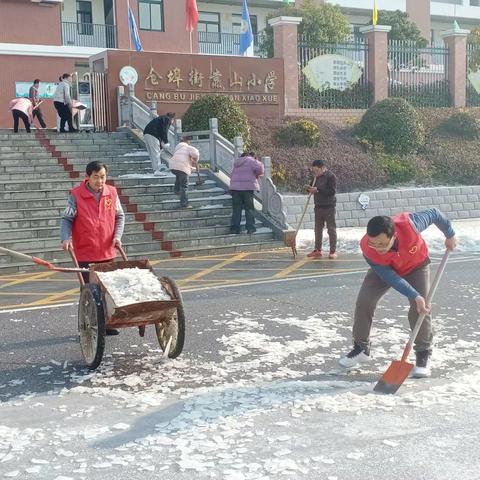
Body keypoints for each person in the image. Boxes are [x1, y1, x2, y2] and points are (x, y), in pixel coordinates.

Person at [339, 208, 457, 378]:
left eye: (381, 243)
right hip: (386, 269)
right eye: (373, 243)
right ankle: (361, 348)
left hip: (416, 266)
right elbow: (390, 277)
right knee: (364, 301)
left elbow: (435, 213)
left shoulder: (410, 224)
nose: (376, 247)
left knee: (421, 309)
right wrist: (413, 294)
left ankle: (423, 353)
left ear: (393, 236)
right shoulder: (367, 247)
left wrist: (450, 234)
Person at [60, 161, 125, 335]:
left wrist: (117, 237)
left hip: (107, 251)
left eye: (103, 176)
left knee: (108, 290)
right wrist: (66, 238)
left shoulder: (111, 193)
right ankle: (88, 325)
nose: (100, 181)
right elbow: (67, 219)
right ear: (88, 177)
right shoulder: (76, 195)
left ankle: (108, 323)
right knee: (89, 293)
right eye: (96, 177)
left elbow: (120, 216)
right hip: (85, 252)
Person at [305, 160, 337, 259]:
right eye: (314, 170)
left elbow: (332, 191)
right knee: (317, 229)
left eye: (317, 170)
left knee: (331, 229)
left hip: (329, 206)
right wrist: (308, 189)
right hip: (318, 206)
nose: (315, 172)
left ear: (323, 168)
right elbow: (312, 187)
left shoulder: (331, 176)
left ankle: (333, 251)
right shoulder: (316, 177)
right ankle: (317, 250)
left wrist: (318, 190)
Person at [229, 151, 264, 234]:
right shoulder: (251, 160)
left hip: (235, 189)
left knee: (236, 209)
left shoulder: (237, 162)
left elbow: (232, 175)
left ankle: (234, 228)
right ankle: (250, 228)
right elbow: (261, 169)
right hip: (247, 189)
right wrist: (256, 160)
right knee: (249, 209)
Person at [168, 137, 200, 209]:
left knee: (179, 176)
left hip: (173, 166)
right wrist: (196, 160)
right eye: (189, 142)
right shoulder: (188, 147)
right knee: (184, 186)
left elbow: (183, 158)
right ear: (186, 142)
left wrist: (192, 164)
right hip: (182, 167)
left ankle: (176, 190)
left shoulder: (178, 148)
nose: (189, 143)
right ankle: (184, 204)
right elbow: (196, 153)